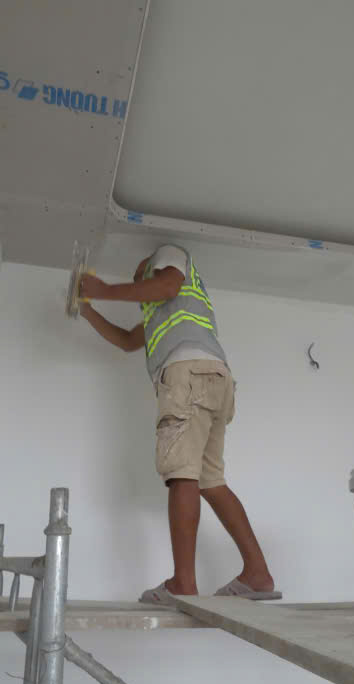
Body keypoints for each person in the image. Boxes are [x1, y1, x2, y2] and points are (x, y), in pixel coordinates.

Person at [78, 243, 278, 605]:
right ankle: (257, 573)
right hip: (216, 380)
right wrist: (87, 310)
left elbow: (166, 285)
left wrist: (106, 290)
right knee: (211, 481)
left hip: (187, 377)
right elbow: (126, 341)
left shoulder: (168, 255)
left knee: (182, 474)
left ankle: (183, 582)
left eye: (141, 274)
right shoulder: (161, 313)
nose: (138, 279)